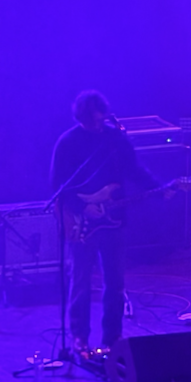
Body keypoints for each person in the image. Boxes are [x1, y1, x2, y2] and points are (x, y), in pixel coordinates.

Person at [50, 90, 160, 357]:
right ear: (82, 118)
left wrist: (159, 187)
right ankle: (79, 337)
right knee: (80, 280)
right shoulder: (69, 142)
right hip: (81, 221)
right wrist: (83, 207)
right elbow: (57, 186)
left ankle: (113, 336)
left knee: (115, 281)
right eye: (92, 121)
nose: (98, 125)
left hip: (114, 219)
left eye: (101, 120)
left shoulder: (116, 138)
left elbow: (135, 169)